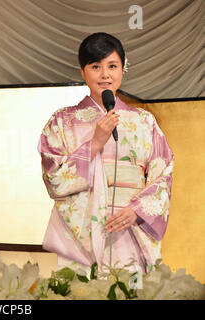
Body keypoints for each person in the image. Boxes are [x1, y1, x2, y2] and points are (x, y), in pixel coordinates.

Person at [38, 33, 174, 276]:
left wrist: (137, 210)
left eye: (112, 66)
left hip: (130, 228)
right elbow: (54, 181)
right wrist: (94, 144)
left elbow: (163, 174)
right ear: (83, 71)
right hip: (82, 233)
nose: (105, 75)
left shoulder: (144, 121)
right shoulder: (62, 121)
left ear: (123, 69)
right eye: (95, 67)